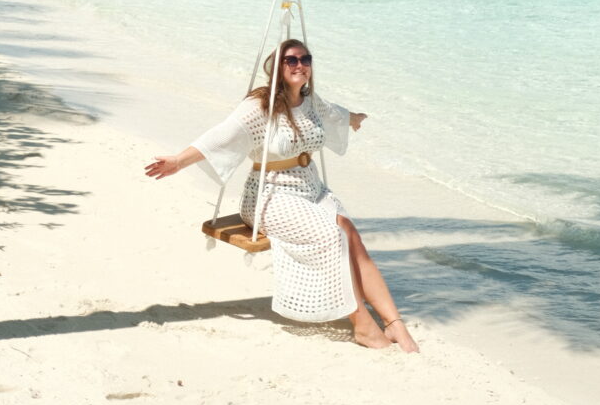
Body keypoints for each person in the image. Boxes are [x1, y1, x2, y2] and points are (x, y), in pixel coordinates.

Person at [145, 39, 419, 352]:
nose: (300, 65)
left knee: (349, 232)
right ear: (278, 67)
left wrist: (354, 119)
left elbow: (334, 115)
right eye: (291, 60)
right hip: (269, 194)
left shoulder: (309, 100)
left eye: (306, 59)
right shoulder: (260, 106)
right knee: (331, 236)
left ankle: (394, 323)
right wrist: (179, 161)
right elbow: (222, 134)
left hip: (310, 187)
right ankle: (363, 326)